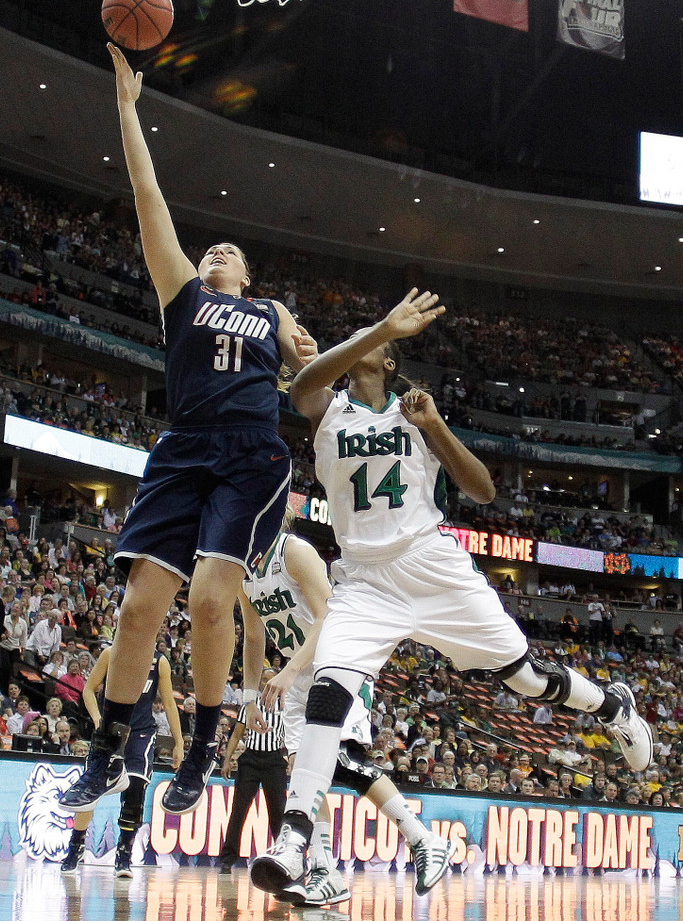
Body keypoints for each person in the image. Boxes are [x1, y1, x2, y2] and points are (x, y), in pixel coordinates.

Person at [249, 289, 654, 895]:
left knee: (524, 677)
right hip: (363, 577)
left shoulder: (416, 414)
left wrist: (435, 424)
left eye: (376, 340)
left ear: (389, 362)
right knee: (330, 690)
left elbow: (485, 491)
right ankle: (294, 839)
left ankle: (613, 707)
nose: (367, 339)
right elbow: (304, 380)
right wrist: (382, 326)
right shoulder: (325, 409)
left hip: (431, 564)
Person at [60, 44, 317, 816]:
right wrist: (127, 110)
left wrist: (305, 350)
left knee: (212, 600)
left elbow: (308, 378)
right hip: (182, 448)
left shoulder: (271, 314)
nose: (218, 251)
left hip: (250, 453)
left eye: (231, 251)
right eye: (213, 248)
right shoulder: (181, 291)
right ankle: (108, 751)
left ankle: (203, 746)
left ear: (249, 277)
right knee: (139, 608)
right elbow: (147, 196)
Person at [239, 511, 450, 903]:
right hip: (298, 678)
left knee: (340, 762)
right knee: (303, 773)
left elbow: (328, 617)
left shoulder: (293, 551)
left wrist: (289, 670)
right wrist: (250, 698)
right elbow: (253, 637)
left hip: (339, 663)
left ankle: (423, 839)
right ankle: (324, 872)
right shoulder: (244, 570)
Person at [60, 645, 183, 876]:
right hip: (111, 731)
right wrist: (97, 719)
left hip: (141, 733)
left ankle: (124, 854)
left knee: (135, 789)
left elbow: (168, 703)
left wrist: (179, 742)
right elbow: (88, 690)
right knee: (91, 790)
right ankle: (76, 845)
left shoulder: (159, 662)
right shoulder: (111, 653)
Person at [218, 669, 287, 875]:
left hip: (275, 760)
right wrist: (227, 760)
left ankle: (283, 858)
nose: (267, 683)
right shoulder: (250, 706)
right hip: (250, 759)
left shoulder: (285, 707)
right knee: (239, 810)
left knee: (278, 813)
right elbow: (236, 735)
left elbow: (294, 736)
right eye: (263, 680)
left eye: (270, 680)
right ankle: (227, 860)